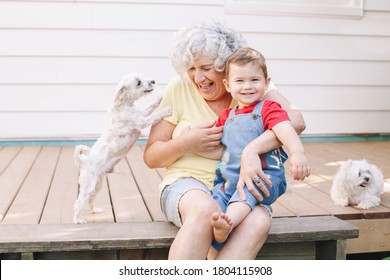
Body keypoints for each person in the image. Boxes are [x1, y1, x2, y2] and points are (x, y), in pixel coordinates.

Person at [143, 21, 306, 260]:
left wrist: (252, 150)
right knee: (205, 209)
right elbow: (151, 157)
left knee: (259, 220)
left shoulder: (248, 84)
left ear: (227, 67)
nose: (198, 77)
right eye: (191, 68)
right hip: (188, 184)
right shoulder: (179, 88)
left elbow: (296, 121)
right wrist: (187, 141)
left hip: (242, 188)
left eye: (206, 68)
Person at [204, 47, 310, 246]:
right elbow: (213, 142)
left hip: (264, 176)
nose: (247, 86)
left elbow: (285, 129)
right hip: (230, 178)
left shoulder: (269, 109)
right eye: (240, 81)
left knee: (247, 192)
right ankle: (219, 230)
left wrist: (297, 152)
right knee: (216, 200)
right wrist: (190, 139)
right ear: (227, 85)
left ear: (266, 82)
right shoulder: (228, 115)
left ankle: (229, 223)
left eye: (254, 80)